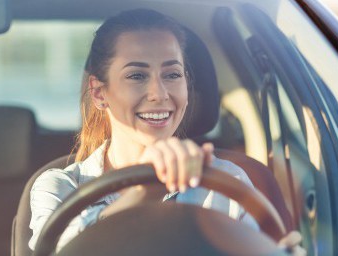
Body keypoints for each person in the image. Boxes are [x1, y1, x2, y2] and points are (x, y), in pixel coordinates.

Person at [28, 8, 259, 251]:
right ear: (98, 93)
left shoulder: (225, 181)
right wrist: (141, 195)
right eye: (137, 75)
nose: (159, 94)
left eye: (172, 74)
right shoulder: (60, 188)